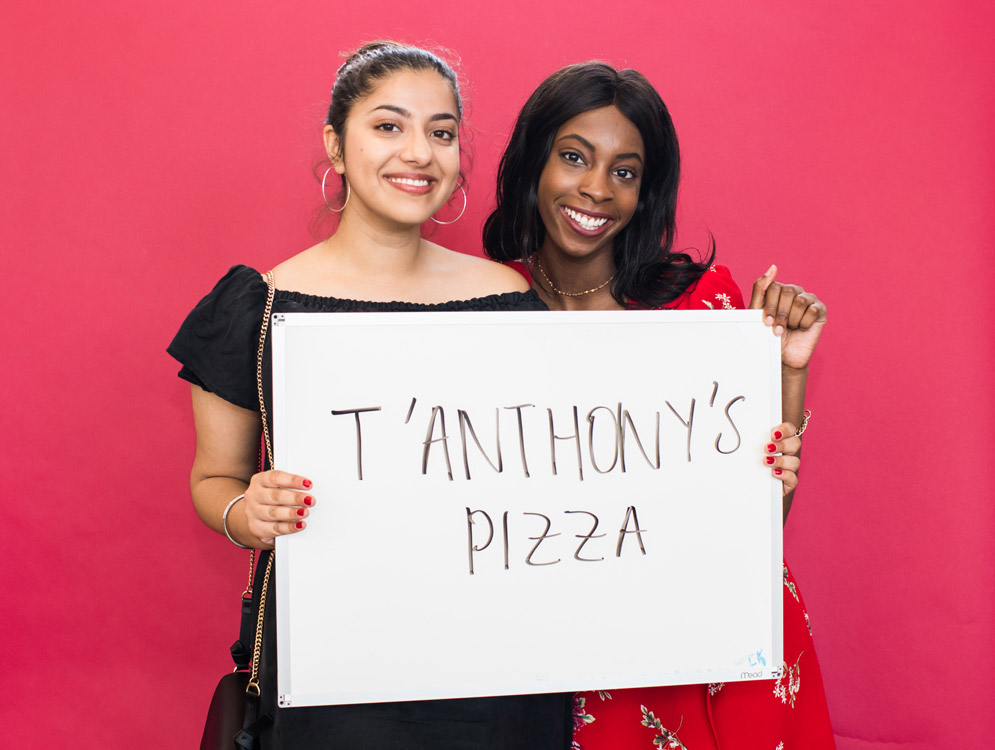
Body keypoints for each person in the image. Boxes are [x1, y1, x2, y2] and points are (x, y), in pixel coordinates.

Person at [169, 42, 572, 749]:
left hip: (498, 674)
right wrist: (246, 511)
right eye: (388, 126)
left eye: (441, 132)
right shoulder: (257, 307)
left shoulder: (510, 301)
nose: (418, 152)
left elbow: (560, 469)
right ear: (335, 143)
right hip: (335, 674)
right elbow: (212, 480)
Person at [484, 62, 834, 749]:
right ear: (533, 164)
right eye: (574, 157)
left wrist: (786, 369)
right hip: (571, 653)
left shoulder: (704, 306)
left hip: (719, 651)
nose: (595, 188)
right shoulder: (482, 310)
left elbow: (761, 524)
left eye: (624, 170)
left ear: (646, 191)